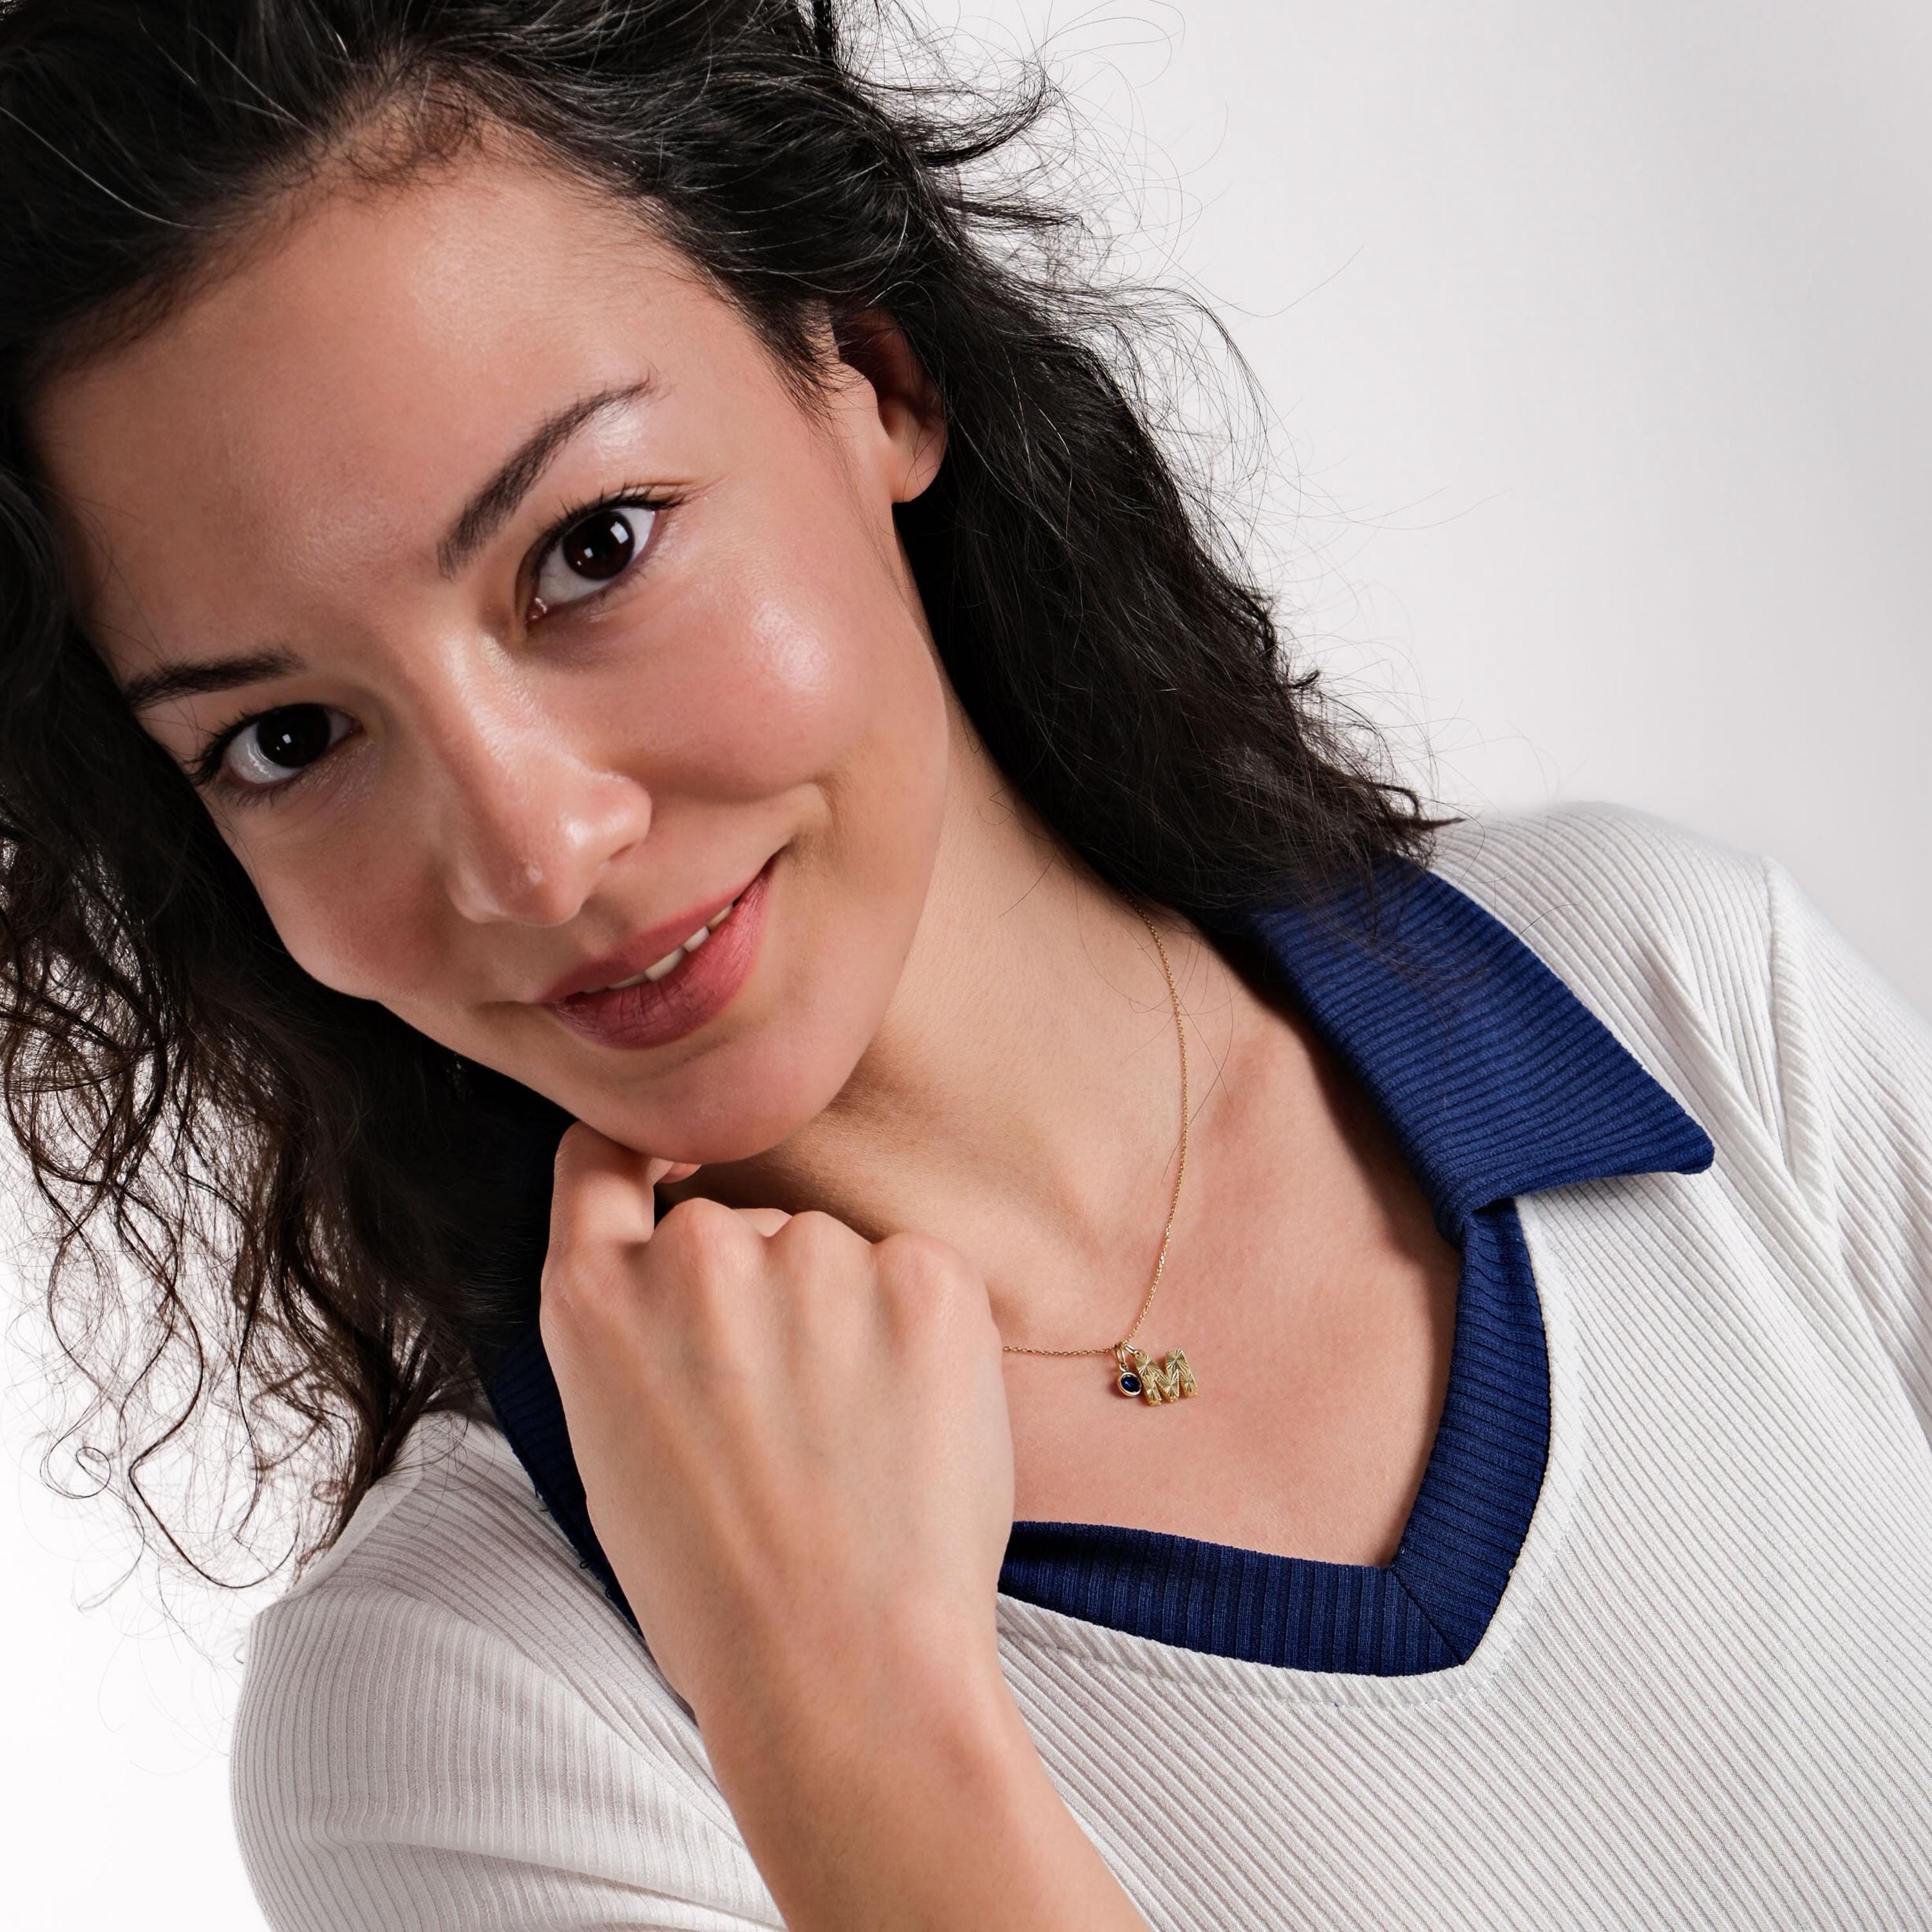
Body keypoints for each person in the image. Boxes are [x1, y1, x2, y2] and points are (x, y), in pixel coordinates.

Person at [3, 1, 1929, 1927]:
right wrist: (838, 1710)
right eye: (287, 739)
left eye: (593, 548)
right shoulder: (474, 1713)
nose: (532, 851)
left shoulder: (1669, 998)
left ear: (873, 382)